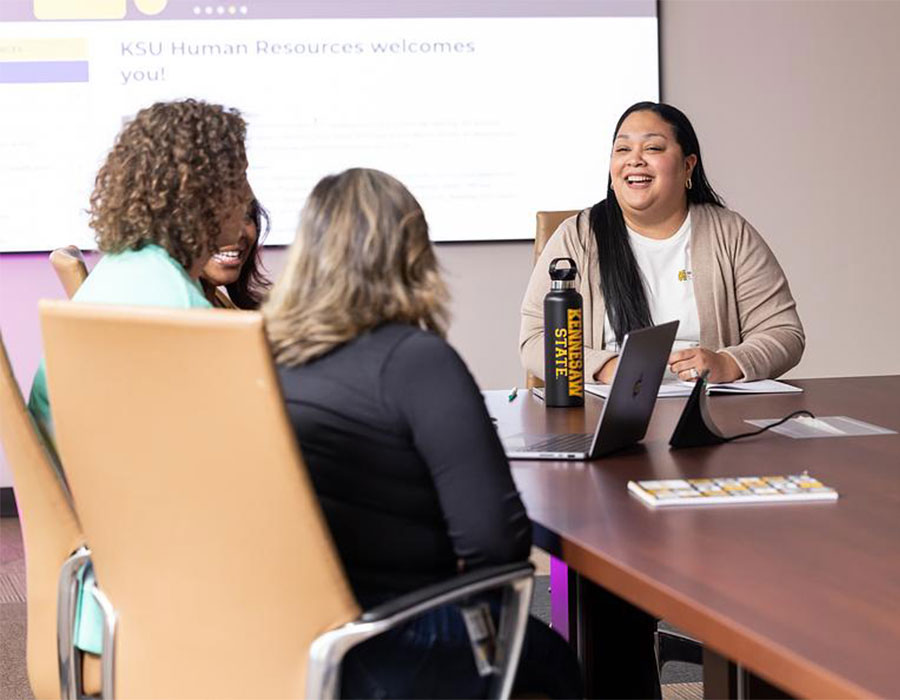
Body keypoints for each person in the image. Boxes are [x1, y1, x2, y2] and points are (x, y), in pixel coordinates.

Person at [264, 168, 582, 699]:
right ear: (412, 253)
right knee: (552, 661)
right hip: (395, 639)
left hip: (288, 638)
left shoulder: (265, 357)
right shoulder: (416, 362)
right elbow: (497, 543)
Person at [520, 101, 804, 385]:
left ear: (688, 166)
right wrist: (605, 369)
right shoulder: (577, 236)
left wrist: (728, 363)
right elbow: (535, 339)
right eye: (622, 149)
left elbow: (783, 332)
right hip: (605, 414)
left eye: (653, 148)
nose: (634, 160)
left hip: (707, 410)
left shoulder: (729, 233)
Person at [28, 98, 253, 437]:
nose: (249, 194)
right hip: (129, 485)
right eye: (241, 178)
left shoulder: (123, 267)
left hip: (81, 480)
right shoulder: (179, 307)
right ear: (204, 192)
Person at [200, 198, 272, 309]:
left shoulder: (218, 301)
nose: (238, 234)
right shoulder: (175, 312)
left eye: (246, 216)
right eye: (214, 217)